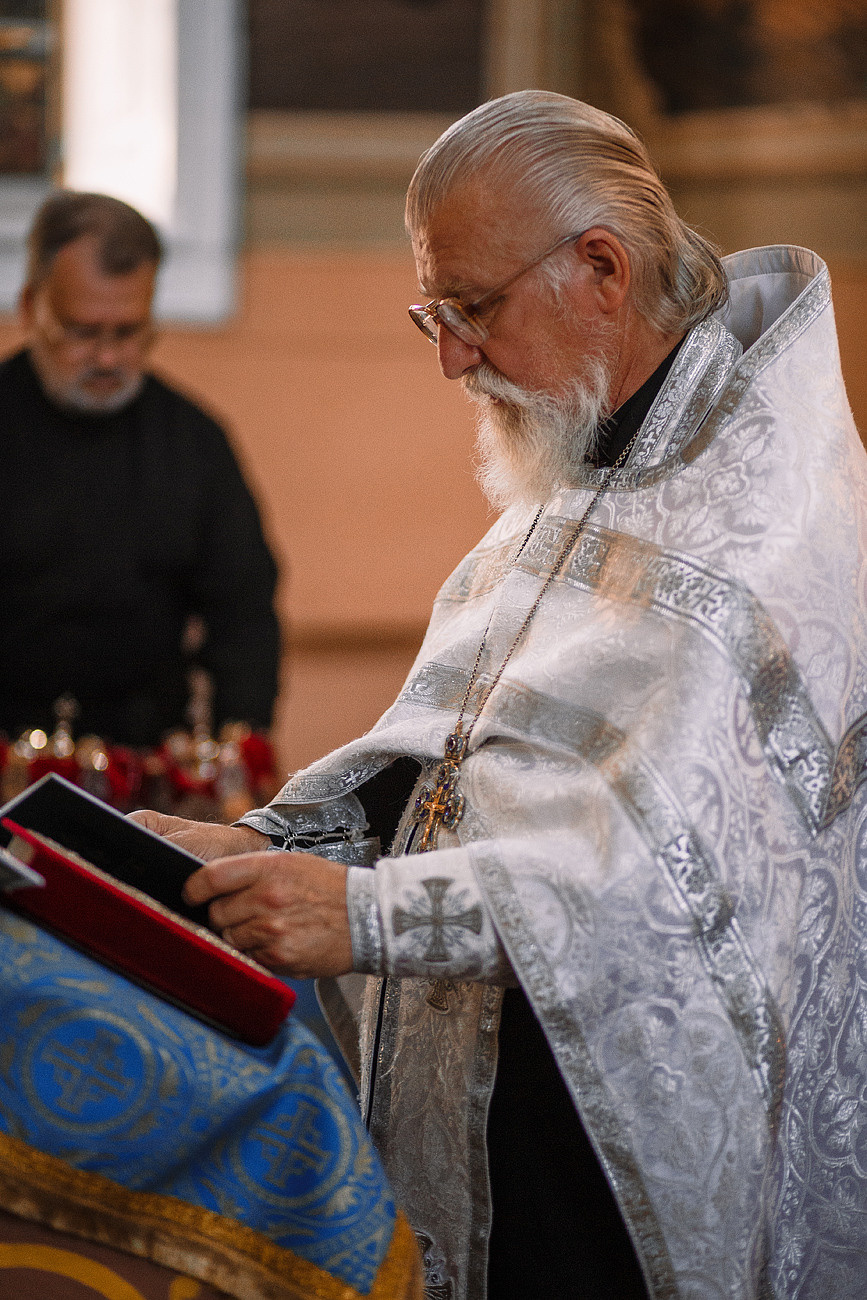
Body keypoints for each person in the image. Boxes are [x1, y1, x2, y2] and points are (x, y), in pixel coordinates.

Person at [133, 92, 867, 1298]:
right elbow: (461, 754)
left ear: (601, 270)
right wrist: (271, 843)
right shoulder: (584, 458)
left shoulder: (765, 536)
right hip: (490, 1096)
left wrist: (368, 916)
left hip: (620, 1149)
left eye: (471, 309)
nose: (451, 358)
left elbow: (660, 883)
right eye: (435, 313)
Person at [0, 191, 280, 753]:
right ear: (32, 308)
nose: (107, 358)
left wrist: (239, 748)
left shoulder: (194, 441)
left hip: (145, 763)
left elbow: (244, 613)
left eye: (128, 332)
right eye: (83, 332)